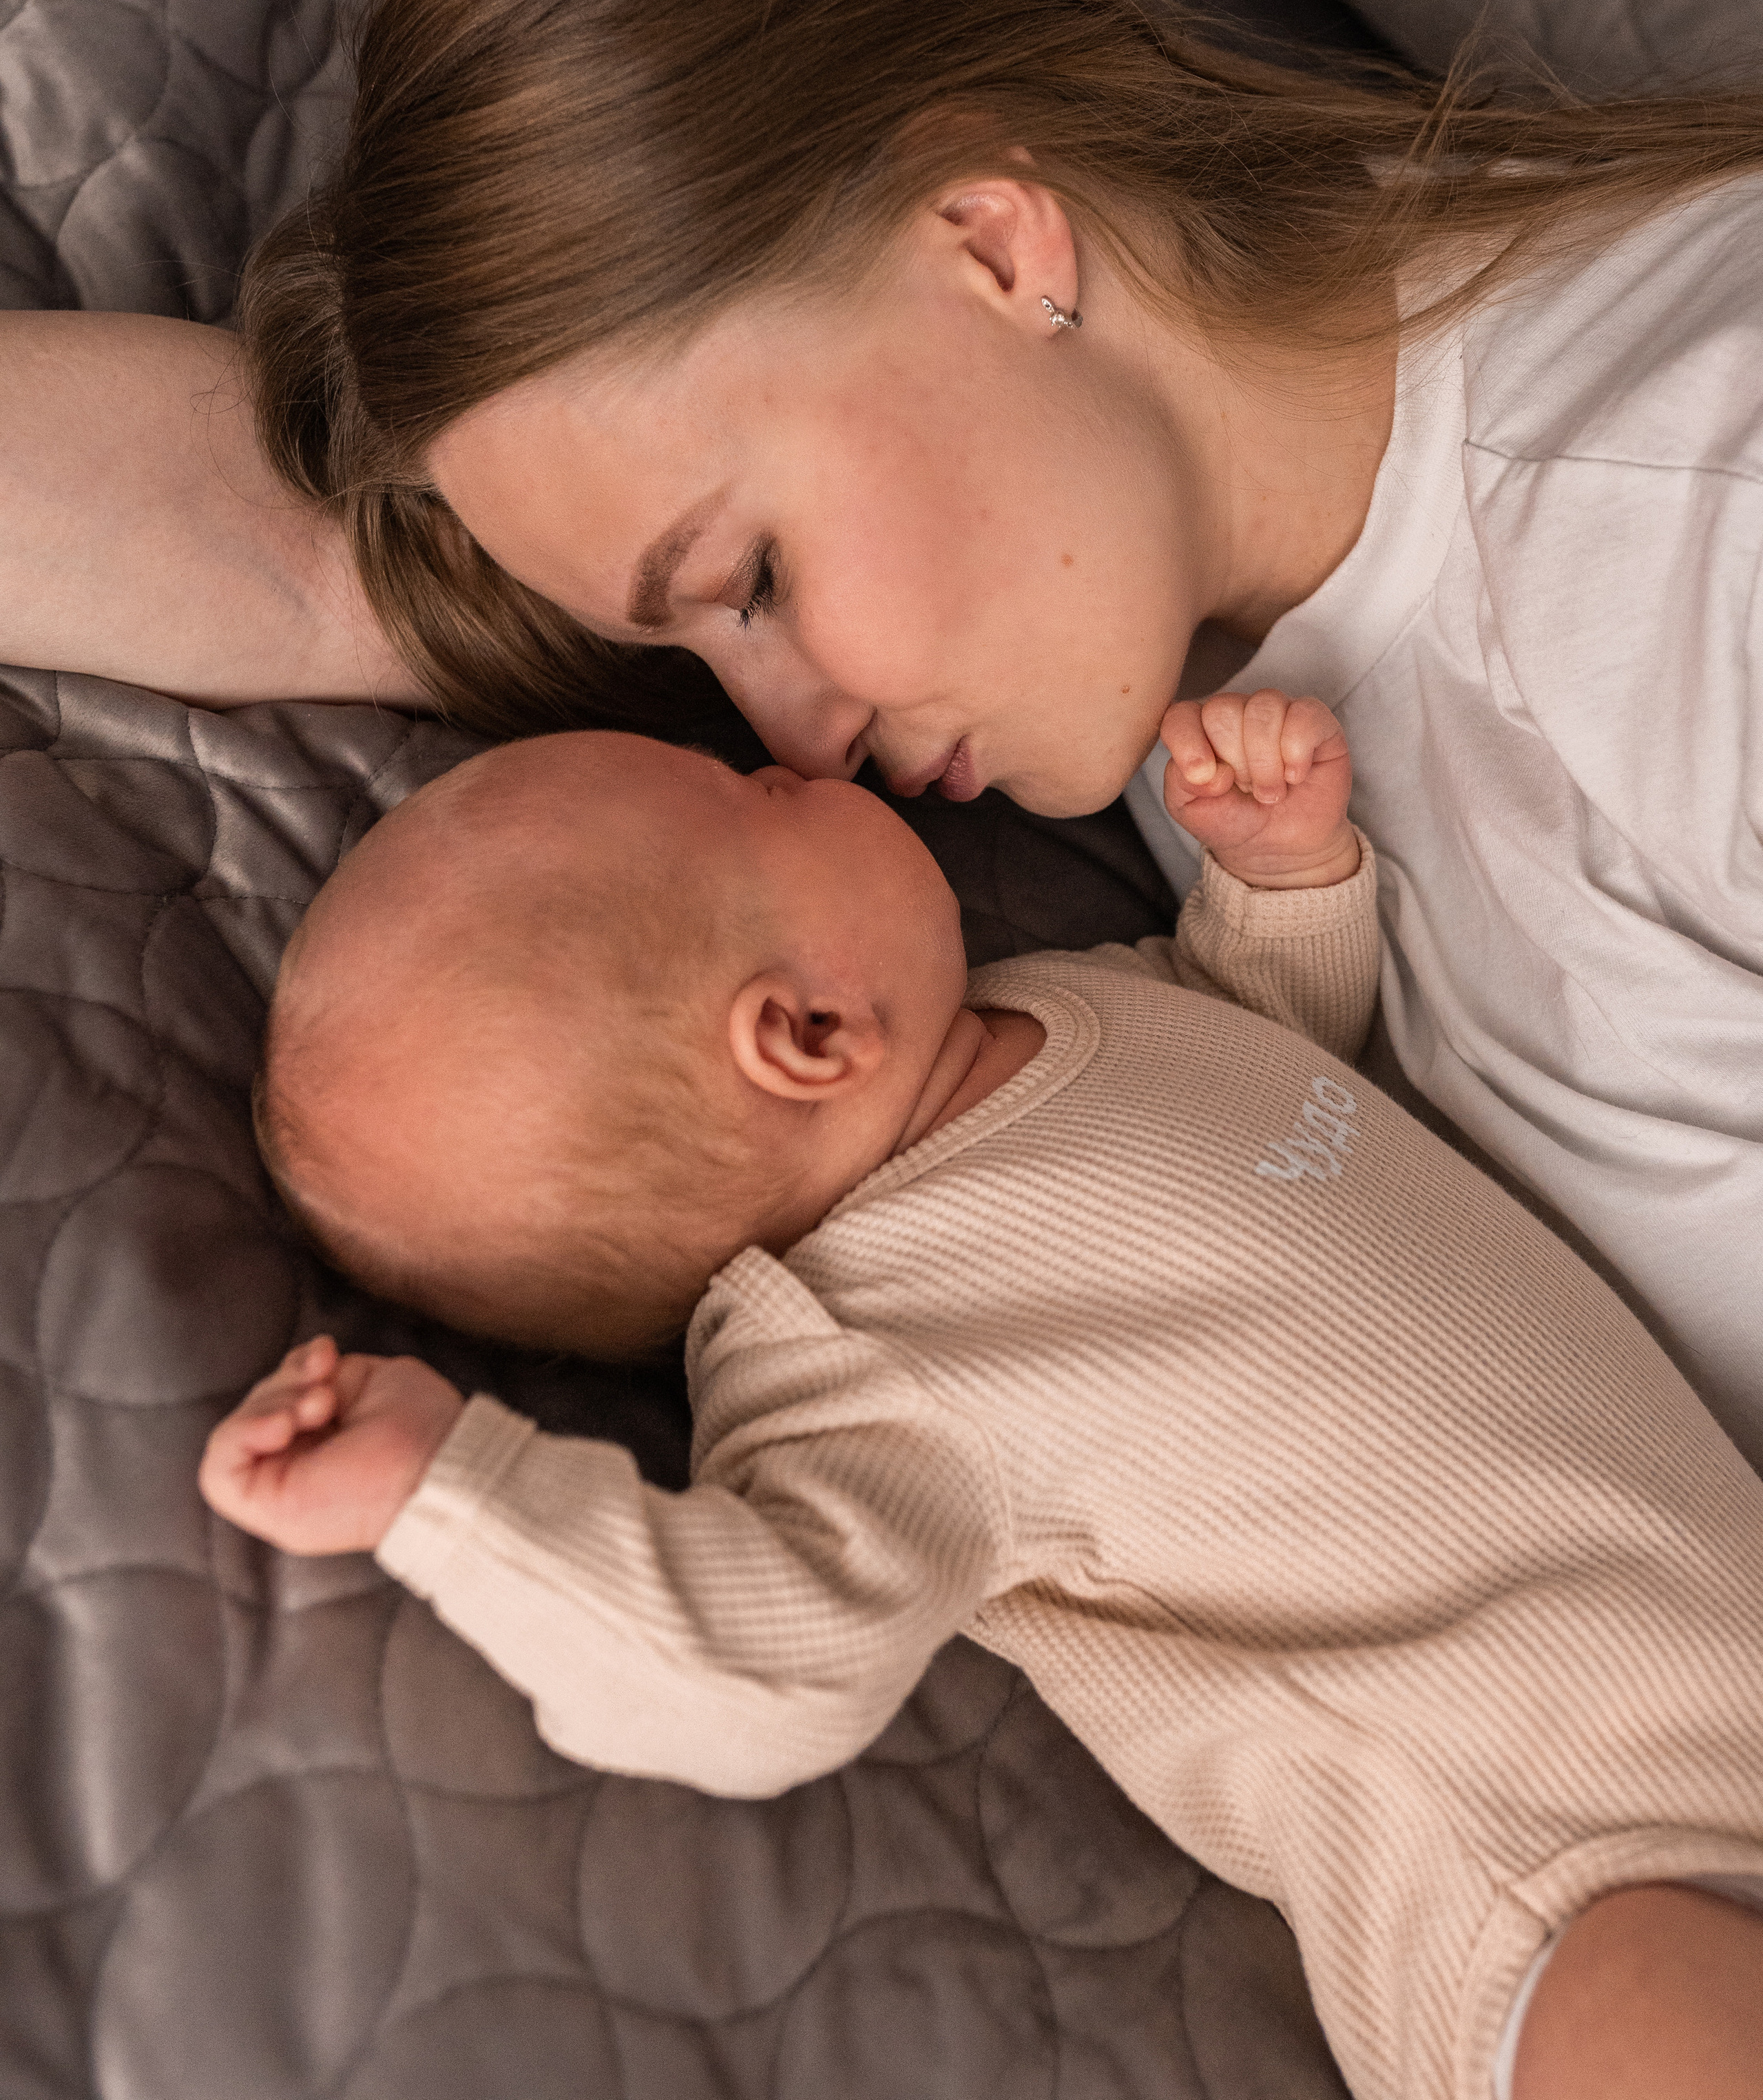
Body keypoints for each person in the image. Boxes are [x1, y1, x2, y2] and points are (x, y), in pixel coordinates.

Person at [3, 0, 1757, 1462]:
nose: (790, 739)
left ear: (993, 245)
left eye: (751, 579)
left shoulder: (1691, 536)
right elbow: (295, 560)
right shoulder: (1123, 506)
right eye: (686, 632)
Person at [198, 708, 1763, 2100]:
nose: (799, 758)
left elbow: (1270, 1078)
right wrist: (452, 1489)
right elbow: (757, 1667)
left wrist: (1279, 887)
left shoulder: (1057, 1010)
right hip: (1544, 1852)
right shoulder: (848, 1358)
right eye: (756, 792)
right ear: (806, 1033)